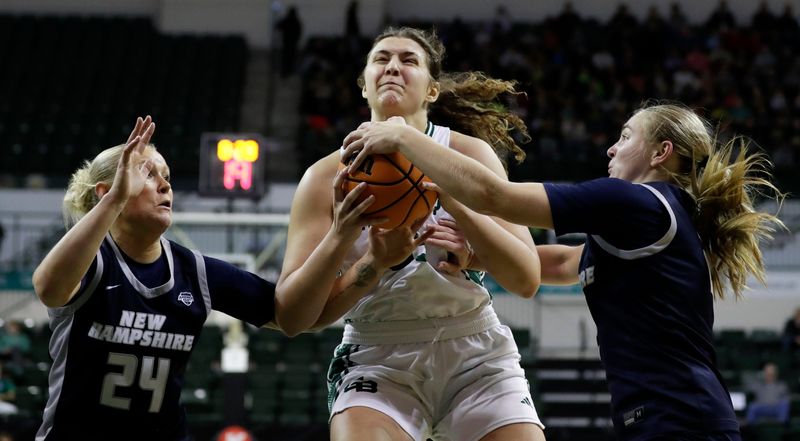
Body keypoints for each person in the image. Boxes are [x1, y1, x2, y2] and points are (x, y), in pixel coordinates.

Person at [343, 101, 786, 440]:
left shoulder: (635, 202)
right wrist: (476, 255)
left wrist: (404, 138)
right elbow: (559, 262)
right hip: (669, 415)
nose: (612, 147)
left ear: (660, 153)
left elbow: (495, 195)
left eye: (626, 136)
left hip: (681, 417)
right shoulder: (650, 222)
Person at [278, 27, 545, 441]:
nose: (393, 67)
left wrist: (459, 208)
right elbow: (294, 317)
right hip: (378, 354)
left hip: (474, 348)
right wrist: (372, 263)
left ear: (432, 91)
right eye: (381, 59)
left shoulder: (470, 155)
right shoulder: (323, 178)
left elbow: (526, 279)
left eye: (409, 60)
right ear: (364, 86)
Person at [30, 116, 315, 440]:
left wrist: (355, 253)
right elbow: (48, 288)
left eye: (166, 177)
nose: (165, 185)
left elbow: (292, 314)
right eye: (149, 175)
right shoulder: (92, 262)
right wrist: (115, 200)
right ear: (107, 192)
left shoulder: (196, 271)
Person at [275, 5, 302, 77]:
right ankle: (289, 71)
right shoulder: (296, 21)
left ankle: (285, 72)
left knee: (286, 58)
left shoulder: (287, 20)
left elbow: (277, 26)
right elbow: (299, 32)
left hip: (287, 43)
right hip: (292, 43)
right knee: (291, 58)